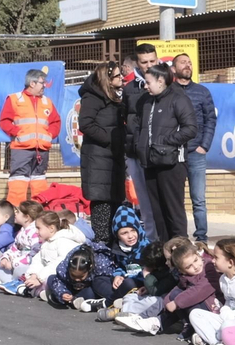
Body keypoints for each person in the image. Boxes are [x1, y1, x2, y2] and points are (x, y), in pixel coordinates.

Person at [129, 63, 196, 241]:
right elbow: (139, 127)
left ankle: (181, 251)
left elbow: (190, 129)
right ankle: (165, 254)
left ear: (160, 81)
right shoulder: (146, 101)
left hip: (172, 164)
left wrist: (166, 142)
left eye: (148, 82)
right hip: (150, 163)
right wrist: (139, 146)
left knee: (173, 211)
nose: (145, 86)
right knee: (157, 212)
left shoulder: (178, 99)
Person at [77, 62, 127, 239]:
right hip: (98, 157)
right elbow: (86, 124)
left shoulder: (113, 97)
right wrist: (110, 139)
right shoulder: (93, 97)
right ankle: (102, 245)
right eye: (117, 75)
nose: (121, 78)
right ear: (107, 78)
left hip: (113, 157)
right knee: (102, 203)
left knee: (114, 201)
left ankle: (112, 243)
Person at [173, 53, 217, 243]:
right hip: (174, 154)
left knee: (198, 200)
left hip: (196, 153)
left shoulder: (202, 91)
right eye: (183, 63)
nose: (188, 65)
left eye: (189, 62)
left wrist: (204, 146)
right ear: (174, 69)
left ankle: (201, 238)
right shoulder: (169, 91)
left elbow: (210, 120)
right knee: (176, 199)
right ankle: (180, 237)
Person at [0, 69, 59, 206]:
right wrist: (16, 132)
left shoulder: (47, 102)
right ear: (32, 83)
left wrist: (50, 135)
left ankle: (39, 212)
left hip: (42, 149)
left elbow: (56, 122)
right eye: (42, 83)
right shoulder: (15, 99)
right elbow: (4, 121)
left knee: (39, 181)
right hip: (21, 149)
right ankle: (15, 213)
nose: (45, 86)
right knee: (18, 181)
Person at [188, 238, 235, 345]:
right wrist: (224, 311)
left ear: (230, 262)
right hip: (225, 317)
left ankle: (216, 339)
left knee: (226, 326)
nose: (213, 261)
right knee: (195, 314)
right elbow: (228, 302)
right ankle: (216, 343)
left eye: (216, 258)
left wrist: (232, 318)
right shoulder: (223, 279)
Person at [122, 44, 161, 240]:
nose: (148, 65)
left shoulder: (167, 83)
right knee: (144, 202)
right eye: (144, 62)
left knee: (164, 200)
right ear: (137, 63)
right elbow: (125, 118)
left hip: (160, 152)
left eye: (152, 61)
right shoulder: (129, 88)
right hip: (135, 151)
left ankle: (170, 241)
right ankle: (152, 241)